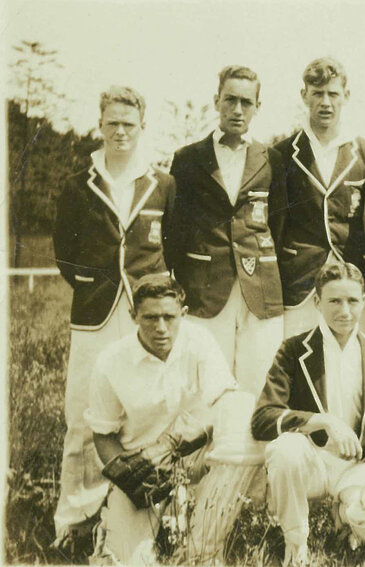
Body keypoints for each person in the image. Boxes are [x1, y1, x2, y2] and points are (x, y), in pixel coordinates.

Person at [52, 85, 177, 548]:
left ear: (142, 127)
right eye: (112, 123)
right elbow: (65, 253)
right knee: (84, 417)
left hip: (145, 315)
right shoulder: (77, 185)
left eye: (129, 123)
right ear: (100, 125)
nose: (120, 131)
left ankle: (150, 515)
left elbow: (174, 245)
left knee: (148, 412)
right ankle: (76, 519)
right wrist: (94, 288)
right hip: (95, 316)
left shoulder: (162, 183)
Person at [251, 262, 365, 566]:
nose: (345, 311)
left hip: (357, 466)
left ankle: (345, 515)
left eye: (352, 301)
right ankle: (296, 540)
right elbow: (263, 418)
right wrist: (322, 422)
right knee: (285, 450)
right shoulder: (294, 349)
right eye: (334, 301)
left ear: (363, 302)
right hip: (311, 462)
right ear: (317, 303)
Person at [85, 274, 237, 563]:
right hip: (143, 469)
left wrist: (172, 443)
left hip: (194, 458)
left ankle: (203, 546)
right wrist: (128, 479)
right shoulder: (110, 361)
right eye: (150, 318)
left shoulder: (199, 340)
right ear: (133, 316)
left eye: (169, 317)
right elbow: (103, 433)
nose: (161, 328)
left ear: (184, 313)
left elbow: (225, 401)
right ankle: (114, 526)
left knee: (240, 423)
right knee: (130, 560)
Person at [168, 64, 286, 398]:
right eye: (230, 100)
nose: (237, 110)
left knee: (258, 380)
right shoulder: (188, 159)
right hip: (205, 289)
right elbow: (175, 229)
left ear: (257, 108)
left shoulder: (272, 158)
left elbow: (276, 225)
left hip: (259, 289)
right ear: (216, 100)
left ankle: (252, 451)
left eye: (246, 103)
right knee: (205, 385)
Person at [273, 57, 365, 338]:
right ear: (304, 95)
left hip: (354, 281)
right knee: (300, 365)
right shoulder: (282, 154)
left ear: (345, 96)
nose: (325, 102)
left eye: (333, 94)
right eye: (317, 93)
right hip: (300, 284)